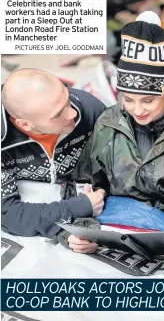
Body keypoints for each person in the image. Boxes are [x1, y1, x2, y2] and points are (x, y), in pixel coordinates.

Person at [63, 12, 164, 258]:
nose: (137, 110)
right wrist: (80, 232)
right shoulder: (109, 121)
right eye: (128, 99)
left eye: (148, 100)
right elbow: (84, 183)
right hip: (117, 224)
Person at [1, 68, 106, 238]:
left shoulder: (91, 110)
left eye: (66, 98)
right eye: (58, 114)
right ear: (25, 124)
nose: (72, 112)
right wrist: (78, 208)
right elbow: (10, 217)